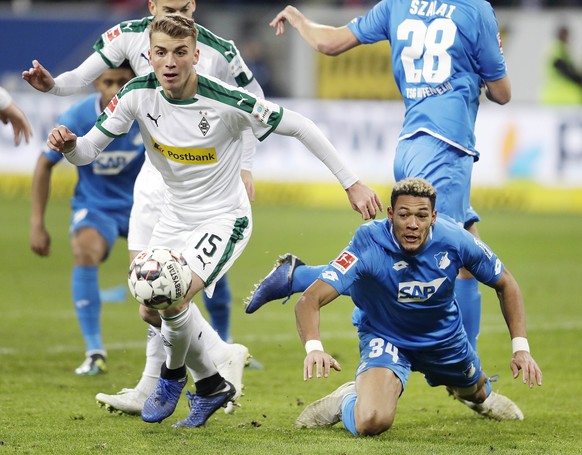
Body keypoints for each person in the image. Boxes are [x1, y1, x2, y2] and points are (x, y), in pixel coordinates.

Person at [47, 14, 381, 428]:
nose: (170, 62)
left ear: (195, 56)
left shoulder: (225, 100)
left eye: (180, 53)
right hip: (173, 216)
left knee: (173, 295)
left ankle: (171, 378)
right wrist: (69, 147)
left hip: (224, 219)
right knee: (151, 310)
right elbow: (87, 152)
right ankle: (210, 383)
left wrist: (352, 183)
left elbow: (301, 126)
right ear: (148, 55)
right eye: (161, 53)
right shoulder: (136, 94)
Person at [23, 0, 266, 414]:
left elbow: (252, 102)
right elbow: (79, 78)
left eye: (184, 9)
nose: (177, 17)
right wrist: (51, 86)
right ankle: (196, 366)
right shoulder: (128, 36)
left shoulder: (219, 50)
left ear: (193, 6)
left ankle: (176, 379)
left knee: (170, 288)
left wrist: (244, 165)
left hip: (204, 178)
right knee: (151, 290)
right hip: (156, 180)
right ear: (152, 5)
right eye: (167, 8)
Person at [248, 1, 512, 355]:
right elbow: (502, 92)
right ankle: (300, 277)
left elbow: (330, 43)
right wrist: (487, 57)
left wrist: (300, 20)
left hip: (411, 144)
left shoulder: (396, 6)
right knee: (420, 260)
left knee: (467, 249)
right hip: (445, 148)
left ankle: (468, 367)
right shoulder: (475, 9)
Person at [292, 177, 542, 436]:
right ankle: (346, 400)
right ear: (390, 214)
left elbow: (506, 283)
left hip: (443, 338)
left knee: (475, 393)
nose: (412, 224)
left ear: (433, 217)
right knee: (371, 421)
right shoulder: (367, 243)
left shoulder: (455, 239)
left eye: (421, 216)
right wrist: (314, 349)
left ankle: (477, 394)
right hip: (386, 336)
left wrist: (521, 349)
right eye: (404, 215)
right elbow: (309, 299)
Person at [30, 63, 143, 376]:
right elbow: (44, 164)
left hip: (145, 207)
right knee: (84, 250)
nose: (116, 89)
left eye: (124, 81)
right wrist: (37, 223)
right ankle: (95, 352)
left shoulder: (147, 111)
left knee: (170, 272)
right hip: (97, 207)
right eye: (109, 81)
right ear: (96, 84)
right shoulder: (79, 117)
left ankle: (213, 342)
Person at [540, 25, 582, 105]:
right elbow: (565, 71)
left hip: (564, 100)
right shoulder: (556, 50)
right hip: (559, 99)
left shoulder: (564, 50)